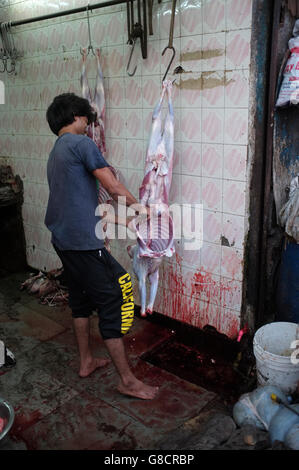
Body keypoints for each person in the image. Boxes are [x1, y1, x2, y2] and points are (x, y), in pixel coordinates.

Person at [44, 93, 158, 400]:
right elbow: (112, 185)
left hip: (63, 240)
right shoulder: (82, 144)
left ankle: (86, 361)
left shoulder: (56, 151)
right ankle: (127, 381)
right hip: (82, 242)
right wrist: (140, 208)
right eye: (85, 120)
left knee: (81, 299)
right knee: (114, 299)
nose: (88, 126)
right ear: (77, 117)